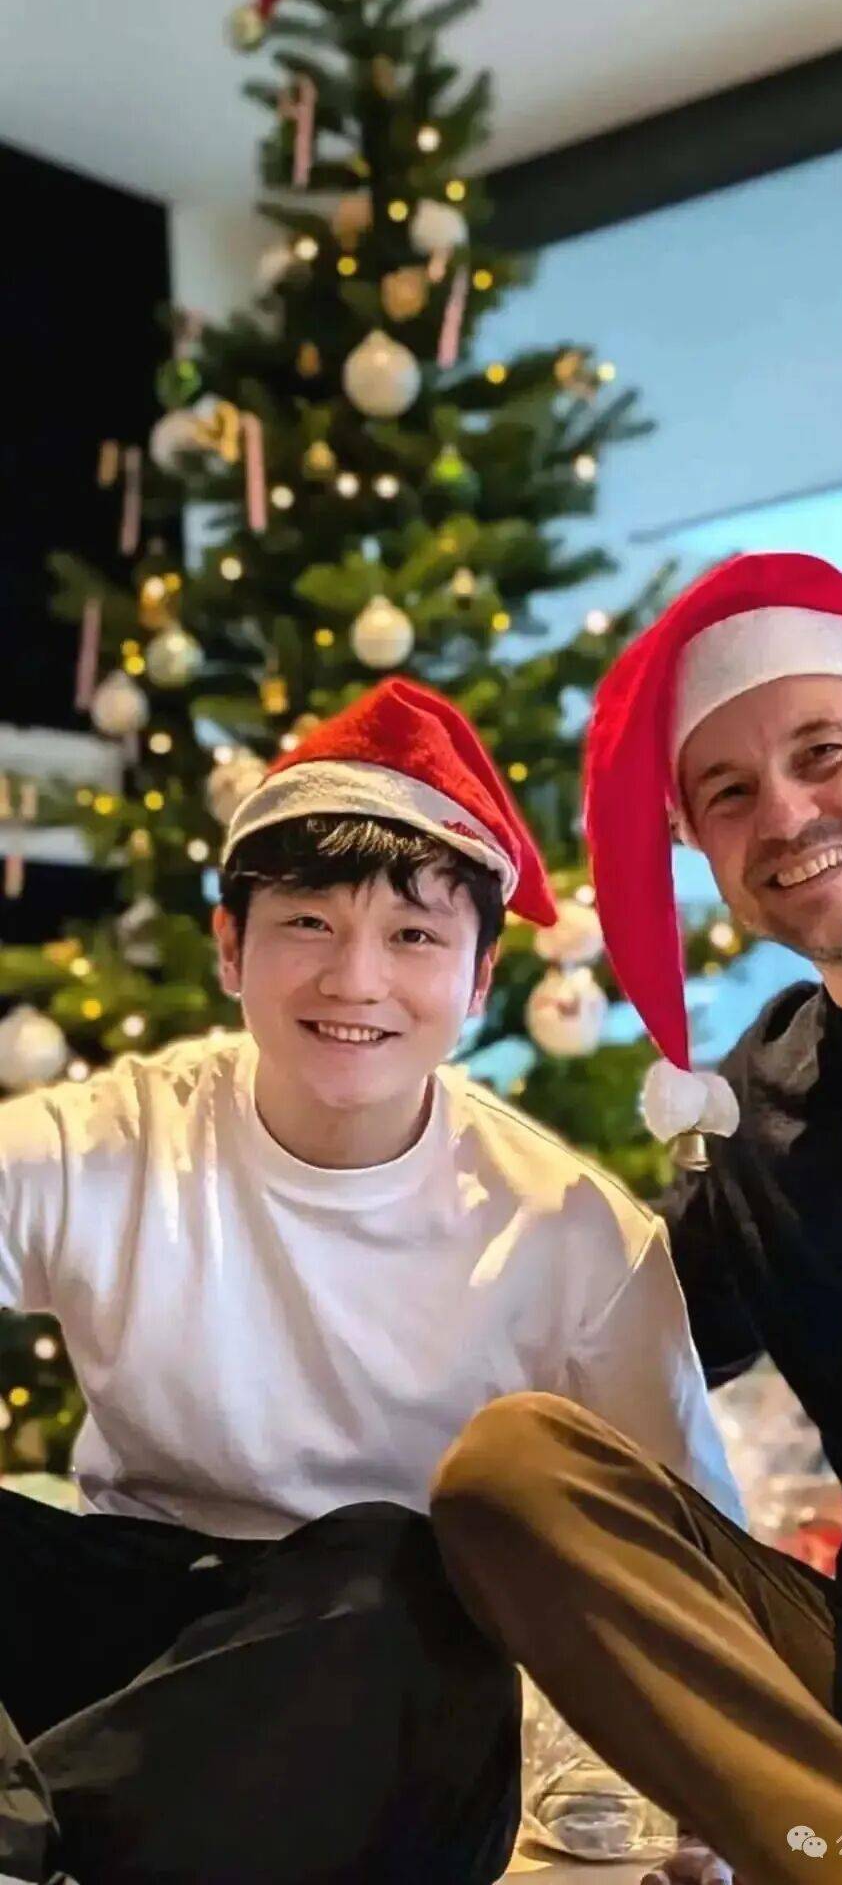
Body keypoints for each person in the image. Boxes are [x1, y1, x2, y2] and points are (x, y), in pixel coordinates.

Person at [0, 677, 742, 1885]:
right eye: (308, 923)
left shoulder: (568, 1232)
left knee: (403, 1573)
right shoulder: (114, 1140)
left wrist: (725, 1823)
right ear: (231, 948)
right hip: (136, 1635)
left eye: (413, 937)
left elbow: (691, 1552)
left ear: (480, 979)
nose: (355, 981)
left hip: (383, 1689)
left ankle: (39, 1834)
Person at [431, 552, 842, 1885]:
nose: (785, 814)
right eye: (729, 793)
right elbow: (595, 1354)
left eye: (823, 754)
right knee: (514, 1469)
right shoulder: (749, 1109)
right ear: (701, 847)